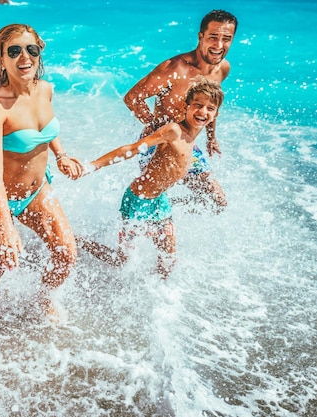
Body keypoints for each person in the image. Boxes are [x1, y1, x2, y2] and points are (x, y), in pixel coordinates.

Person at [0, 23, 83, 320]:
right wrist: (7, 225)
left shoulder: (45, 89)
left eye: (31, 49)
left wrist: (61, 154)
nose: (25, 57)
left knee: (66, 254)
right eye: (15, 51)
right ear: (1, 58)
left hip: (36, 192)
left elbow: (45, 126)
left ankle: (43, 299)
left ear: (39, 52)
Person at [77, 77, 224, 278]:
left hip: (159, 201)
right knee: (121, 260)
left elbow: (208, 121)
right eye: (197, 105)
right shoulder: (174, 131)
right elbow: (132, 149)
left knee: (169, 260)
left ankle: (162, 300)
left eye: (209, 108)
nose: (202, 112)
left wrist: (211, 138)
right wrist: (91, 166)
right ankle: (75, 240)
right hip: (138, 200)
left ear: (215, 113)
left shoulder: (195, 133)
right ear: (187, 106)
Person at [123, 10, 237, 213]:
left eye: (226, 39)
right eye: (213, 37)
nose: (219, 45)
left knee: (218, 202)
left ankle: (170, 209)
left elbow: (211, 105)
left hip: (188, 148)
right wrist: (154, 127)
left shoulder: (223, 68)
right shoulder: (175, 69)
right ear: (201, 36)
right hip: (158, 147)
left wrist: (211, 137)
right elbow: (133, 97)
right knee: (153, 210)